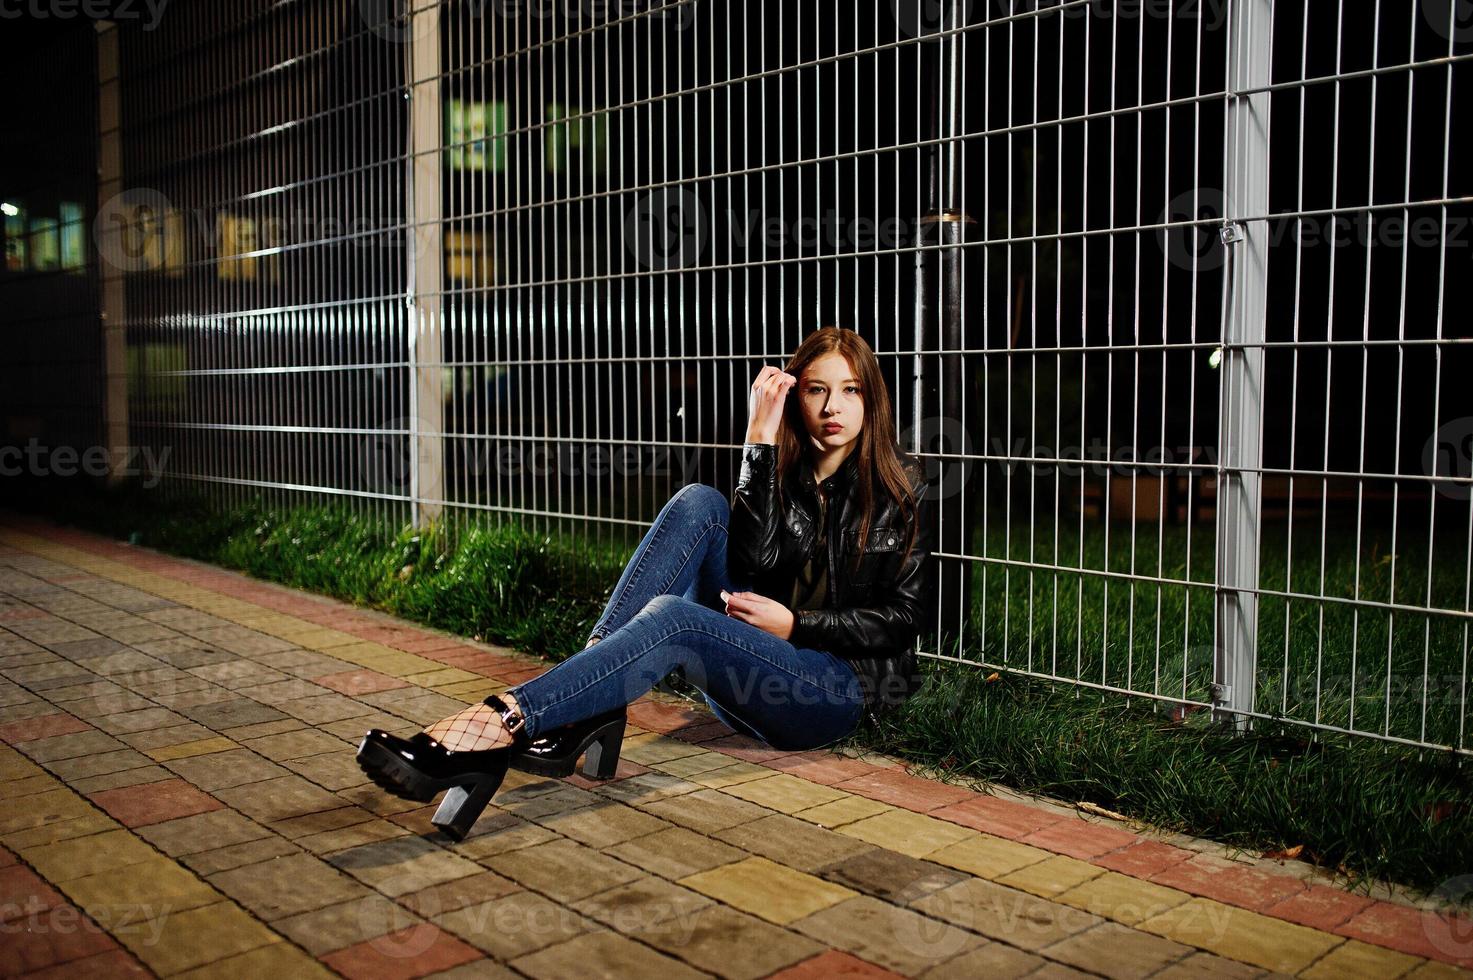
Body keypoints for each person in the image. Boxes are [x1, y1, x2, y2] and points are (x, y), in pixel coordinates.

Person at [356, 326, 934, 839]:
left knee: (673, 617)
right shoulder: (783, 468)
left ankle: (496, 723)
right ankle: (587, 708)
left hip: (827, 691)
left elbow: (906, 619)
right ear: (795, 397)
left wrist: (797, 624)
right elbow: (754, 568)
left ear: (871, 398)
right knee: (699, 503)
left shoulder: (901, 483)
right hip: (749, 668)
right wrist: (758, 439)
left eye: (851, 389)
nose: (834, 405)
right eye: (816, 389)